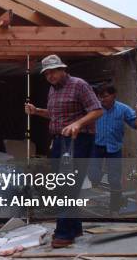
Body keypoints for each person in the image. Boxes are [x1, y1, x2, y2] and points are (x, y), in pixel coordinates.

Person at [25, 55, 103, 248]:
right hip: (60, 141)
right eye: (47, 73)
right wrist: (37, 111)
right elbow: (55, 115)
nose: (50, 76)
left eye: (53, 71)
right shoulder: (53, 89)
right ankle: (74, 228)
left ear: (63, 69)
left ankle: (63, 234)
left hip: (78, 140)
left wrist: (77, 123)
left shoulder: (79, 85)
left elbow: (97, 110)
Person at [88, 83, 137, 215]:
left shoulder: (123, 109)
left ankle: (114, 209)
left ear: (114, 95)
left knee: (114, 179)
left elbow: (136, 125)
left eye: (105, 96)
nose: (102, 100)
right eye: (100, 97)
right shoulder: (95, 108)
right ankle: (97, 182)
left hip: (114, 148)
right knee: (93, 174)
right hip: (96, 145)